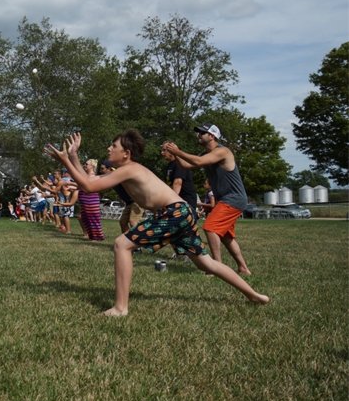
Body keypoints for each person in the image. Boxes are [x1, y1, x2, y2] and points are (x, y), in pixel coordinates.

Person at [46, 130, 269, 317]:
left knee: (122, 244)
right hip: (182, 213)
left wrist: (66, 160)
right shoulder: (127, 170)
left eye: (112, 146)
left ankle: (120, 308)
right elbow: (89, 182)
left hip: (173, 213)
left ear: (126, 153)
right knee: (206, 263)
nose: (108, 149)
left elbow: (89, 186)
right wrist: (73, 155)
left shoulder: (130, 169)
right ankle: (254, 295)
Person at [163, 123, 253, 275]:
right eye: (198, 132)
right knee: (225, 236)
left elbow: (197, 162)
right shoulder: (205, 155)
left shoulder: (223, 151)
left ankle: (216, 268)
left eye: (202, 133)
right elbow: (185, 166)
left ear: (212, 136)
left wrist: (178, 151)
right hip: (226, 198)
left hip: (233, 197)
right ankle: (243, 269)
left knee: (210, 227)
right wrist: (176, 154)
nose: (199, 135)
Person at [161, 143, 197, 260]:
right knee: (173, 227)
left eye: (164, 150)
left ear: (171, 151)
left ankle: (192, 254)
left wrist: (170, 202)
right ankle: (180, 252)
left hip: (186, 200)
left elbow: (178, 183)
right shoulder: (170, 166)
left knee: (187, 228)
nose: (162, 153)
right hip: (177, 199)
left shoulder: (178, 164)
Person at [78, 159, 105, 241]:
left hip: (91, 201)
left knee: (93, 219)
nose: (85, 165)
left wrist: (69, 183)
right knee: (86, 219)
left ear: (92, 166)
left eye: (86, 164)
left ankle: (97, 237)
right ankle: (92, 236)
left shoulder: (93, 176)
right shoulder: (86, 176)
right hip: (85, 202)